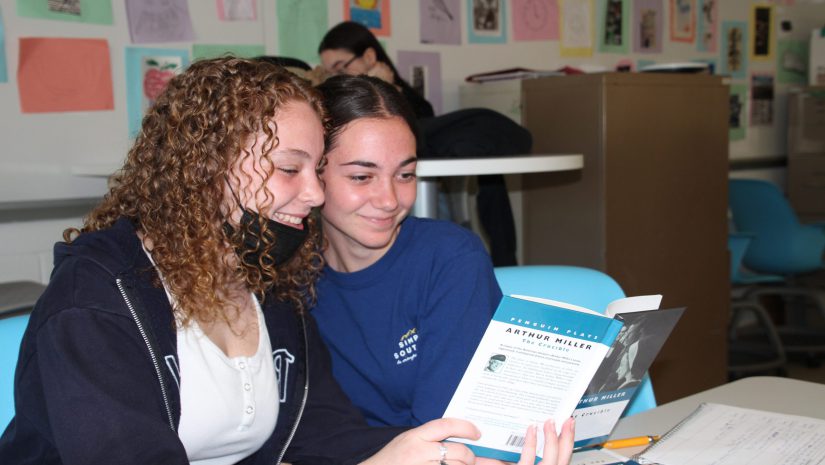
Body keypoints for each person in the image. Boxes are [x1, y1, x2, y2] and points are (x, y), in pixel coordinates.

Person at [0, 57, 570, 465]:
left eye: (317, 169)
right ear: (206, 168)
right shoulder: (97, 300)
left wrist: (415, 454)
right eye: (289, 168)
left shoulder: (270, 283)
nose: (316, 195)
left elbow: (321, 426)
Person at [310, 74, 499, 427]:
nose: (390, 200)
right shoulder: (289, 279)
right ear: (312, 173)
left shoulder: (450, 260)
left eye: (405, 174)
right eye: (362, 177)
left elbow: (447, 429)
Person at [316, 21, 434, 119]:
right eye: (329, 73)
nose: (335, 79)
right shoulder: (331, 105)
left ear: (369, 57)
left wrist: (383, 91)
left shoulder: (419, 108)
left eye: (340, 68)